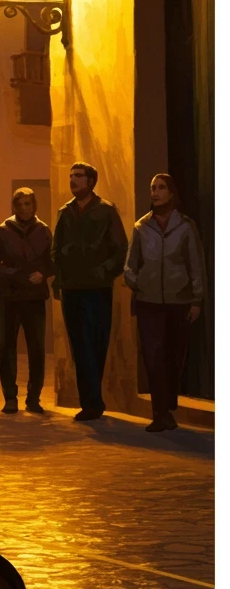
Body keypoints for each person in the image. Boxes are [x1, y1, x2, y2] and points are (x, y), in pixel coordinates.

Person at [124, 173, 205, 433]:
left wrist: (196, 299)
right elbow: (129, 265)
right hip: (148, 302)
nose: (155, 192)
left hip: (178, 302)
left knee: (173, 358)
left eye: (161, 188)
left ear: (171, 192)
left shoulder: (185, 227)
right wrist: (138, 282)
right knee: (153, 357)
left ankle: (168, 407)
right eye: (152, 188)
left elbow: (196, 265)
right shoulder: (141, 227)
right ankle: (160, 413)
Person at [51, 162, 128, 421]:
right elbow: (55, 248)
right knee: (79, 345)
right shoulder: (65, 212)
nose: (72, 180)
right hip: (72, 288)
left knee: (97, 343)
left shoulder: (106, 211)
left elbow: (120, 249)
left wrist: (103, 272)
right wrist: (59, 280)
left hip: (97, 289)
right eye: (71, 176)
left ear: (91, 181)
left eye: (78, 176)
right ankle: (91, 403)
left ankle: (94, 401)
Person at [0, 188, 55, 414]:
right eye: (20, 204)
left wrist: (43, 273)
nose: (24, 208)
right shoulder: (4, 230)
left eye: (28, 204)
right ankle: (10, 398)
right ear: (14, 207)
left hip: (35, 298)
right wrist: (12, 274)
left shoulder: (44, 231)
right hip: (10, 297)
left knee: (37, 350)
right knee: (7, 349)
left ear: (34, 205)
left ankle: (33, 398)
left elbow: (53, 260)